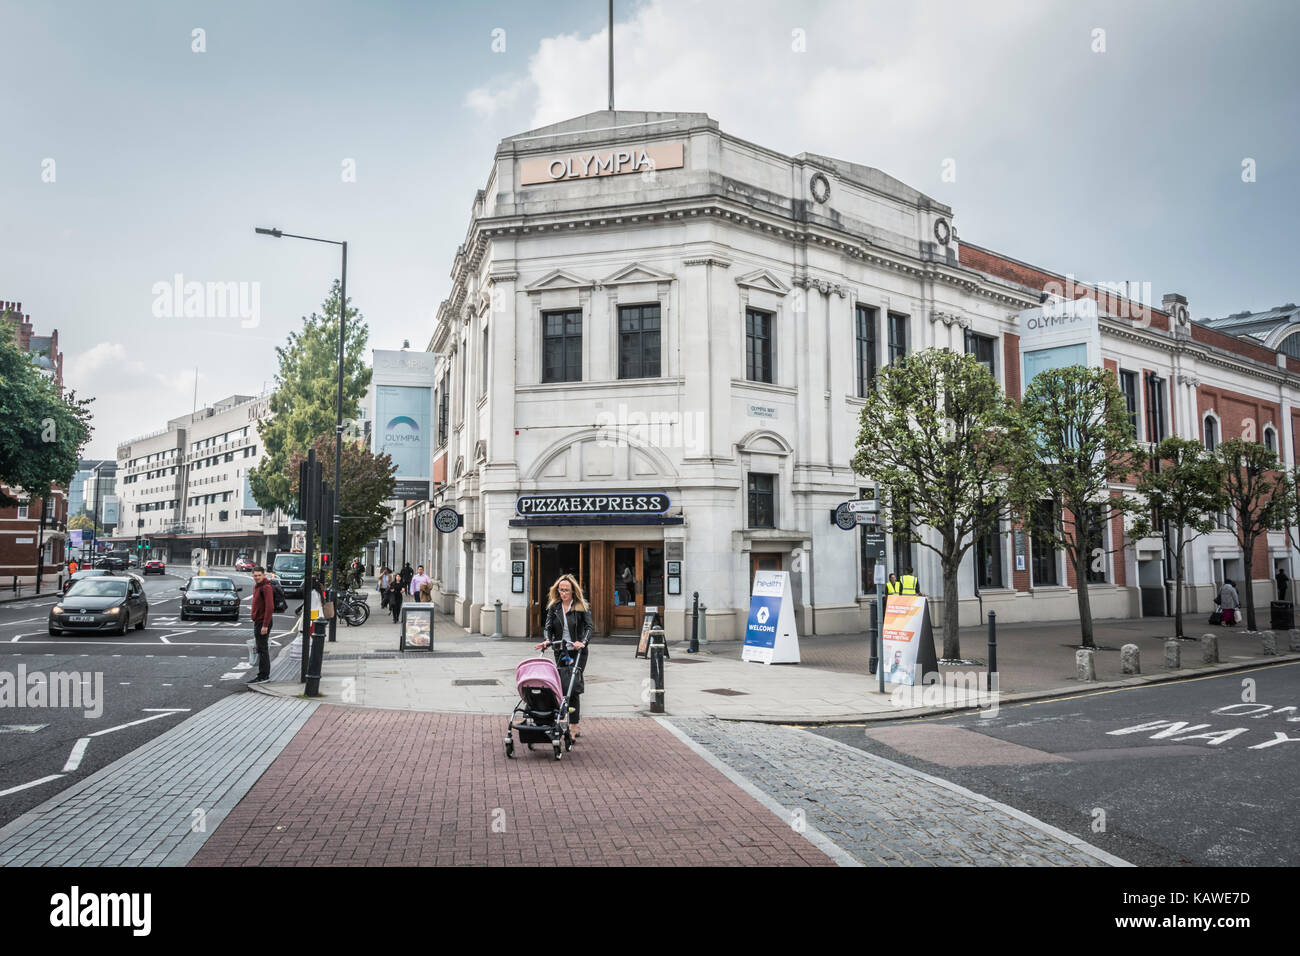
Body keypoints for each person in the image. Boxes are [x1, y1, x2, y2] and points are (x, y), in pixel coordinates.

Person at [533, 573, 593, 738]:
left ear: (573, 591)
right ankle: (559, 718)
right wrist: (547, 640)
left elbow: (589, 627)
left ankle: (573, 725)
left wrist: (583, 641)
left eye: (566, 590)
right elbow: (548, 627)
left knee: (572, 687)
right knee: (561, 685)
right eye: (561, 590)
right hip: (561, 651)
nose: (563, 593)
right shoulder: (555, 607)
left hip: (577, 651)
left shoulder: (581, 606)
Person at [248, 566, 275, 684]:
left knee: (263, 649)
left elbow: (270, 608)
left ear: (264, 575)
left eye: (259, 575)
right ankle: (262, 674)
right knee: (260, 648)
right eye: (255, 575)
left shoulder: (266, 587)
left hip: (263, 622)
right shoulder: (257, 586)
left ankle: (263, 676)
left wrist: (265, 625)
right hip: (258, 621)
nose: (257, 577)